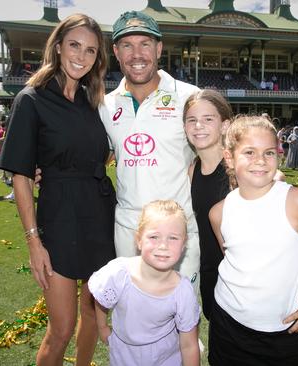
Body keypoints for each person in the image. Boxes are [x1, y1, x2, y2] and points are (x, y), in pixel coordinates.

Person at [0, 14, 116, 366]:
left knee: (94, 315)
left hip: (99, 214)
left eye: (91, 50)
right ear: (58, 46)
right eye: (75, 45)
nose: (81, 56)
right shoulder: (31, 100)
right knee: (61, 328)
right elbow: (20, 176)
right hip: (59, 218)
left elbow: (103, 150)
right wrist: (34, 242)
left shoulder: (94, 101)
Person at [208, 116, 298, 365]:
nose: (261, 161)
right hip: (226, 327)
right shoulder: (218, 212)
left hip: (282, 334)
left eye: (269, 153)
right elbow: (235, 261)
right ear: (229, 158)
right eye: (249, 152)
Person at [98, 11, 201, 290]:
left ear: (158, 48)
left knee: (182, 319)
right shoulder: (105, 105)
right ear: (116, 52)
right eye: (127, 46)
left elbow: (217, 151)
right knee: (134, 319)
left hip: (178, 229)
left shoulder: (190, 97)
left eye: (145, 44)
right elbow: (96, 154)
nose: (137, 54)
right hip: (129, 230)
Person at [89, 200, 200, 366]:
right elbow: (102, 297)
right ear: (139, 240)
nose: (163, 245)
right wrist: (102, 325)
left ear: (183, 244)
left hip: (165, 357)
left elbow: (189, 345)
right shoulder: (119, 273)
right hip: (123, 355)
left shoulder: (182, 291)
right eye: (154, 237)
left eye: (173, 238)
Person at [183, 90, 232, 320]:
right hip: (209, 273)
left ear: (224, 125)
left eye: (208, 119)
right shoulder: (193, 171)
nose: (198, 126)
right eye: (191, 120)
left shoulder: (238, 170)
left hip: (239, 278)